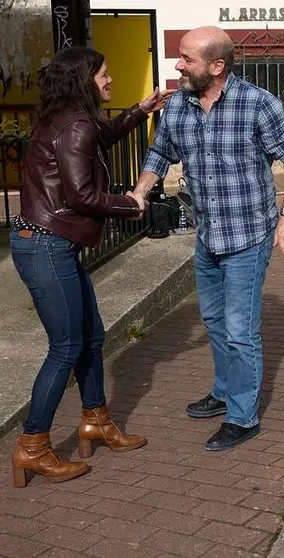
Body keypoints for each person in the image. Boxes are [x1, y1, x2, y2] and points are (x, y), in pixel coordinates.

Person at [132, 26, 284, 451]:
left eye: (186, 59)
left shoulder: (258, 104)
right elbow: (160, 152)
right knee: (213, 321)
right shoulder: (180, 106)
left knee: (239, 329)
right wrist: (139, 191)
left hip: (249, 235)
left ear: (217, 66)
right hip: (207, 234)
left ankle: (243, 417)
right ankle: (225, 390)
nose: (177, 65)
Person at [9, 47, 173, 487]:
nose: (110, 80)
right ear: (85, 78)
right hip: (46, 246)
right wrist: (131, 203)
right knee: (65, 347)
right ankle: (32, 447)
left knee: (91, 338)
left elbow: (100, 138)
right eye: (104, 74)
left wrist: (140, 111)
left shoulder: (65, 118)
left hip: (49, 244)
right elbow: (81, 196)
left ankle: (96, 422)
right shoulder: (76, 125)